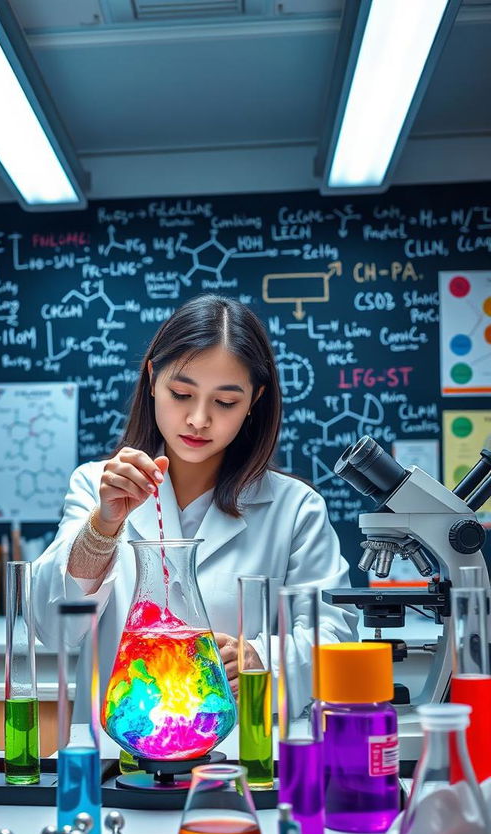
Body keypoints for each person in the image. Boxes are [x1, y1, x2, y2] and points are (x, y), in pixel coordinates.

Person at [33, 294, 358, 720]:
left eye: (225, 402)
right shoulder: (96, 486)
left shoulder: (294, 509)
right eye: (182, 393)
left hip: (243, 754)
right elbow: (53, 627)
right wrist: (104, 526)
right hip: (121, 754)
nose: (199, 419)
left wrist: (261, 659)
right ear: (152, 378)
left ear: (254, 401)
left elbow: (334, 638)